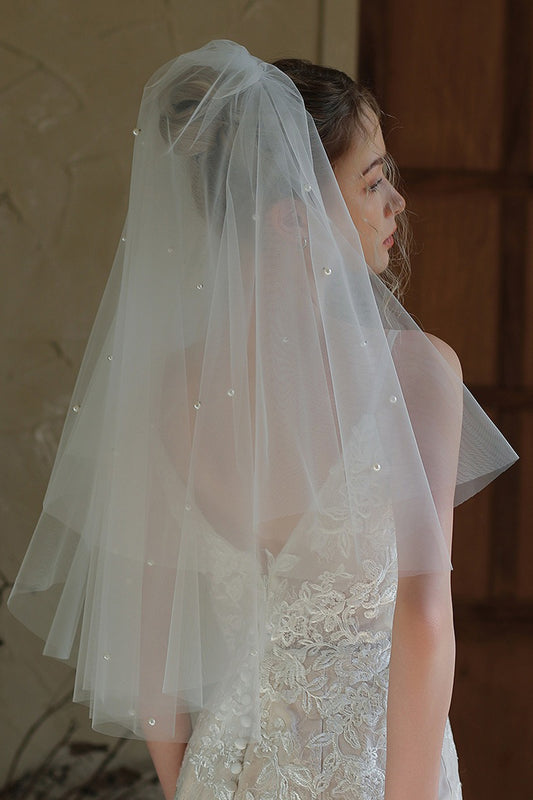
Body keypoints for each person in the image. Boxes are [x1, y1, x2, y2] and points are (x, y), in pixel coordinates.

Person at [8, 40, 517, 800]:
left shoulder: (164, 396)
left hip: (230, 771)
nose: (396, 206)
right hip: (379, 774)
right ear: (292, 218)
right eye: (374, 183)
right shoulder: (413, 373)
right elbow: (422, 620)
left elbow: (155, 659)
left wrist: (192, 789)